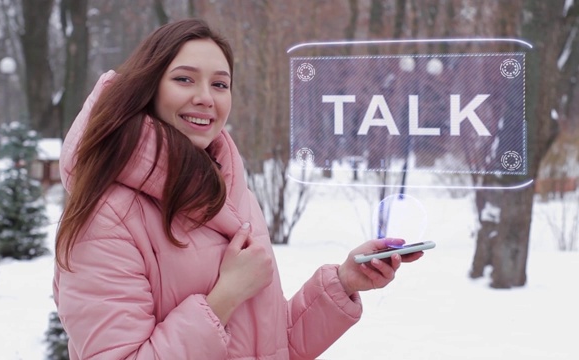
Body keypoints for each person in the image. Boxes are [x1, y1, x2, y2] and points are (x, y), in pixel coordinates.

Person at [53, 18, 424, 360]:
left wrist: (344, 282)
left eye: (220, 84)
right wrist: (225, 297)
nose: (205, 97)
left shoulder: (228, 193)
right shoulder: (106, 218)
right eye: (184, 79)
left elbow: (271, 345)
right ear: (146, 89)